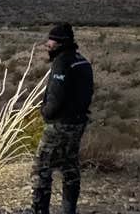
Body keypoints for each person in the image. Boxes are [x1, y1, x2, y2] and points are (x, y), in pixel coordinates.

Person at [31, 23, 94, 214]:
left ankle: (39, 210)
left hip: (60, 124)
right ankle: (69, 210)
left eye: (50, 41)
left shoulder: (62, 62)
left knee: (41, 167)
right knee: (70, 166)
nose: (47, 44)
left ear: (60, 43)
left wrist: (45, 112)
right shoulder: (82, 61)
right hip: (78, 122)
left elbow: (55, 97)